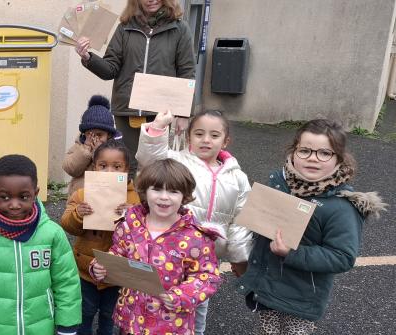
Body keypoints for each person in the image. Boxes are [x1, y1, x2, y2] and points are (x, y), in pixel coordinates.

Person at [237, 119, 386, 335]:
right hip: (267, 289)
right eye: (305, 150)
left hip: (301, 300)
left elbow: (342, 256)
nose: (313, 159)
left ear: (339, 158)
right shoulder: (280, 185)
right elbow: (262, 227)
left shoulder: (341, 207)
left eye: (324, 153)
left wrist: (291, 252)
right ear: (294, 152)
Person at [137, 109, 252, 334]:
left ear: (226, 141)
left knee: (197, 305)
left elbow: (242, 218)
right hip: (170, 250)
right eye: (199, 134)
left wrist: (239, 255)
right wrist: (158, 128)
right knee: (156, 300)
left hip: (207, 256)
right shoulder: (177, 161)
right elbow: (150, 161)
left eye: (214, 135)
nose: (206, 140)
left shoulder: (237, 176)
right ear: (189, 136)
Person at [90, 158, 222, 334]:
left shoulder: (195, 237)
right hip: (132, 320)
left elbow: (206, 276)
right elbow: (118, 253)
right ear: (144, 191)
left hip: (171, 324)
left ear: (185, 196)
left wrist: (181, 295)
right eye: (157, 189)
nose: (164, 197)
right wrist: (101, 268)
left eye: (173, 191)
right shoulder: (130, 223)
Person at [0, 154, 81, 335]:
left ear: (35, 194)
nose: (14, 205)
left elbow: (66, 282)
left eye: (23, 197)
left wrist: (67, 325)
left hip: (40, 327)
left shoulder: (52, 234)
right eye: (5, 197)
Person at [75, 0, 195, 175]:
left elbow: (187, 71)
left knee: (154, 167)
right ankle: (126, 203)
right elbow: (110, 69)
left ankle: (149, 202)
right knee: (125, 166)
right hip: (126, 110)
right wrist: (87, 57)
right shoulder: (124, 28)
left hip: (159, 113)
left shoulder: (179, 29)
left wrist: (184, 113)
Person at [60, 140, 140, 335]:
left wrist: (133, 216)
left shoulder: (134, 199)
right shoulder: (82, 195)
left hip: (116, 274)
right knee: (84, 313)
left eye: (117, 167)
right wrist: (79, 213)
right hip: (85, 270)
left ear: (126, 170)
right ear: (94, 167)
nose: (109, 172)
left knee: (109, 315)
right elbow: (67, 225)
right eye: (103, 166)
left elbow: (142, 236)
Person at [62, 95, 124, 195]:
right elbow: (70, 168)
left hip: (105, 198)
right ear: (84, 134)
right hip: (79, 200)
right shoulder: (79, 147)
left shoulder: (116, 150)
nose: (94, 138)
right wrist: (86, 151)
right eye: (90, 134)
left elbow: (119, 174)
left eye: (99, 135)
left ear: (108, 135)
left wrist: (99, 153)